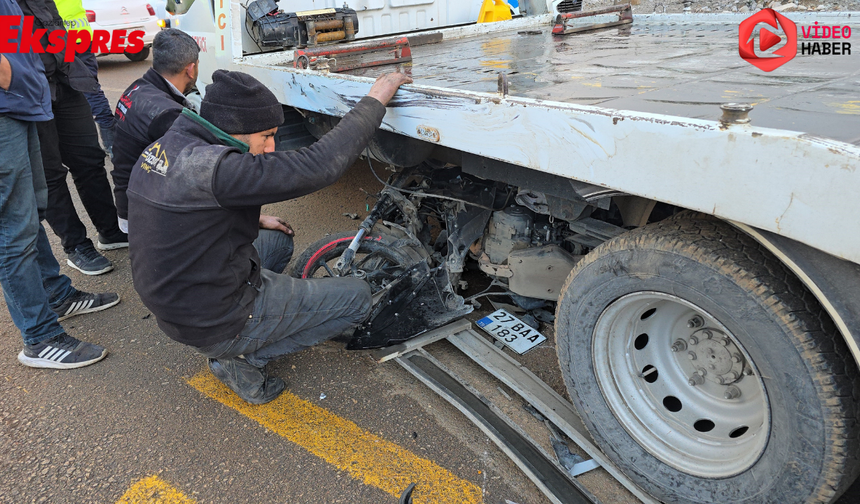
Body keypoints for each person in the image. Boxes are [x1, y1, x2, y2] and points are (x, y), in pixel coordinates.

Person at [127, 70, 411, 404]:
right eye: (266, 136)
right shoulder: (224, 171)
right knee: (358, 298)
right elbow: (320, 165)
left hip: (178, 301)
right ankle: (242, 358)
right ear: (236, 130)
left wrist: (256, 218)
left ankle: (251, 330)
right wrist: (378, 95)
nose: (272, 147)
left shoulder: (175, 144)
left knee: (278, 241)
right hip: (211, 319)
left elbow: (181, 206)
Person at [0, 4, 119, 370]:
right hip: (9, 105)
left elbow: (15, 35)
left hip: (24, 102)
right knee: (14, 229)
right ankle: (40, 338)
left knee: (29, 216)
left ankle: (55, 295)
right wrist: (13, 79)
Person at [16, 0, 128, 276]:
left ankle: (110, 231)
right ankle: (76, 245)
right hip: (27, 88)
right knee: (50, 173)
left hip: (67, 76)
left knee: (89, 159)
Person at [111, 28, 200, 234]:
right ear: (191, 69)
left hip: (128, 199)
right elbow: (199, 169)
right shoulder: (167, 114)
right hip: (145, 213)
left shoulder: (137, 88)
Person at [54, 0, 117, 157]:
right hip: (80, 34)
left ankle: (110, 144)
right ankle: (112, 143)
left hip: (61, 37)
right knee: (90, 89)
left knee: (83, 92)